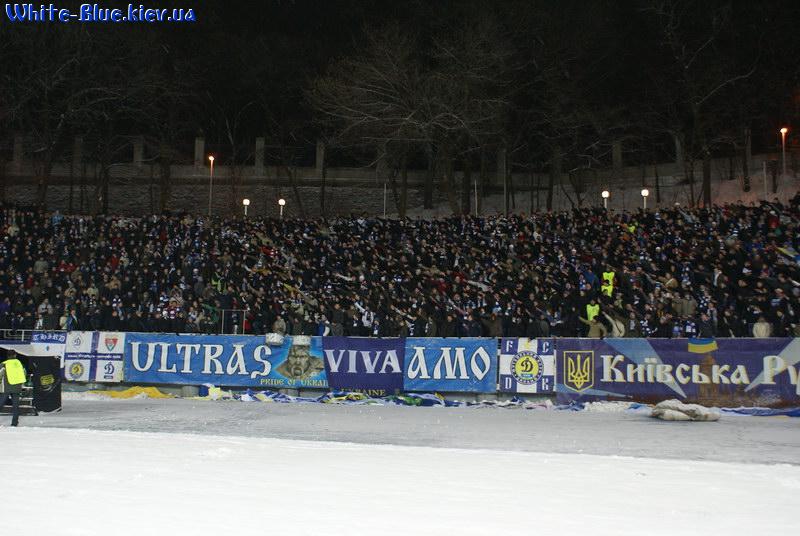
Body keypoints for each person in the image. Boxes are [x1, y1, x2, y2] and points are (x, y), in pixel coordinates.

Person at [0, 355, 27, 427]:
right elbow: (24, 373)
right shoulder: (19, 363)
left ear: (8, 355)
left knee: (1, 404)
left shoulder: (4, 364)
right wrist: (21, 383)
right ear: (15, 355)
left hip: (6, 388)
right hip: (16, 388)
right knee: (16, 406)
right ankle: (14, 423)